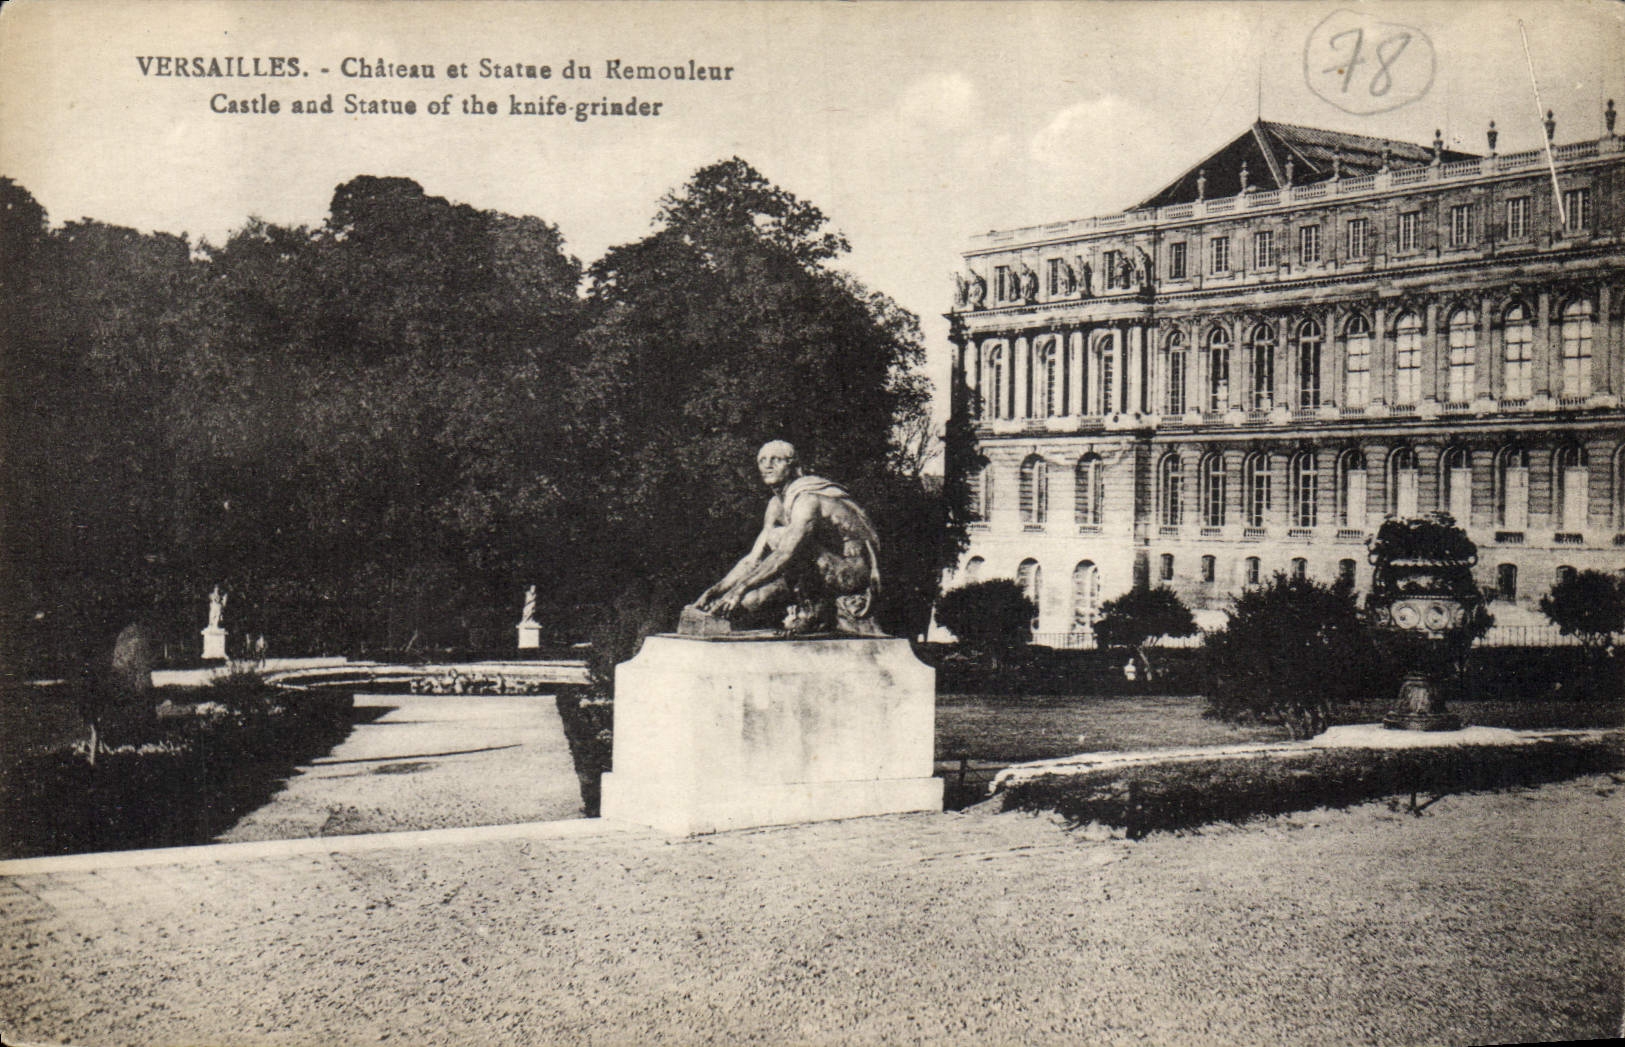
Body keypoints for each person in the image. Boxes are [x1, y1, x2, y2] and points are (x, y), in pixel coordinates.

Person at [694, 440, 884, 635]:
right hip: (816, 568)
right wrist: (717, 591)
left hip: (852, 574)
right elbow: (753, 559)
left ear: (792, 465)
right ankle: (812, 610)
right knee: (750, 601)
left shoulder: (807, 500)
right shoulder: (776, 505)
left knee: (779, 536)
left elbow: (786, 553)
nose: (767, 465)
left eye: (776, 460)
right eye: (762, 460)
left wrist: (739, 588)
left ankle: (814, 614)